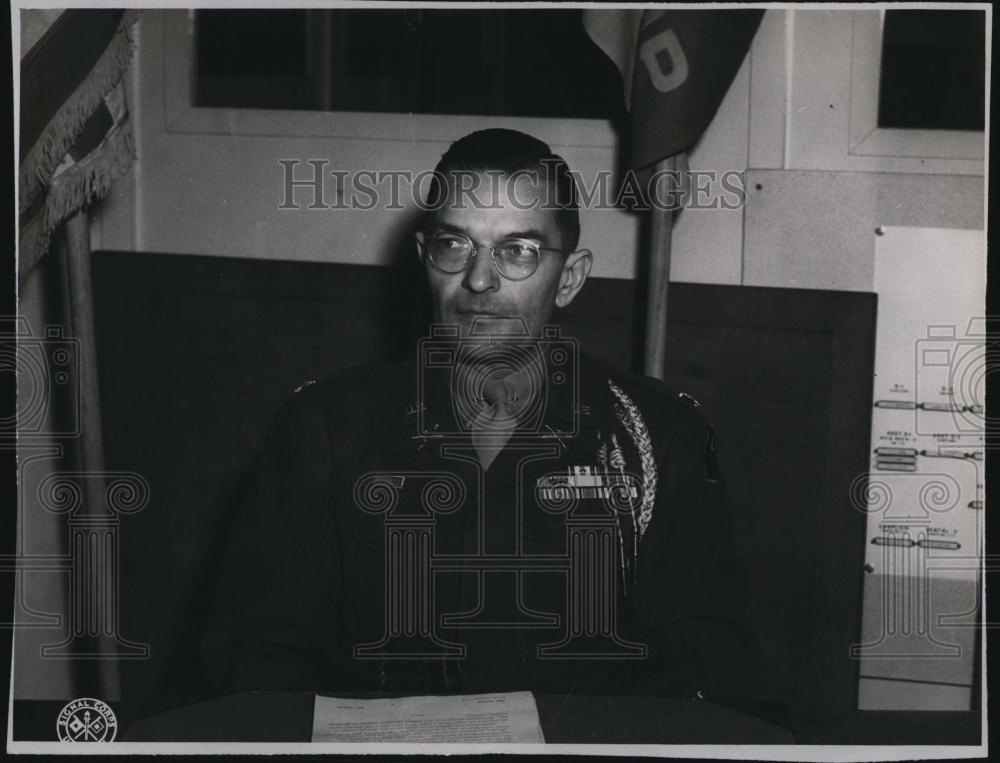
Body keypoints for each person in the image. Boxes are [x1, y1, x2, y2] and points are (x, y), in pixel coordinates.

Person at [201, 128, 759, 701]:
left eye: (518, 251)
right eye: (455, 245)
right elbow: (258, 656)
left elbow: (706, 665)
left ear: (569, 278)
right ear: (425, 259)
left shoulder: (659, 438)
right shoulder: (324, 428)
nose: (479, 279)